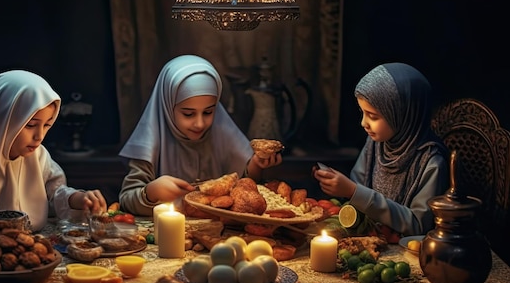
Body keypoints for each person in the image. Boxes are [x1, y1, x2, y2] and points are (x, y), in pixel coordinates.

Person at [0, 70, 107, 239]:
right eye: (30, 125)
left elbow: (54, 193)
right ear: (2, 120)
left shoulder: (38, 157)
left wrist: (77, 199)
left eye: (47, 125)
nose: (39, 136)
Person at [118, 54, 282, 216]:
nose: (200, 123)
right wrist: (152, 191)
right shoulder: (151, 142)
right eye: (188, 114)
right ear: (167, 107)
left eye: (208, 112)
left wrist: (256, 165)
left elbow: (243, 182)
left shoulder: (222, 132)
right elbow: (126, 200)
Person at [313, 62, 448, 238]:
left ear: (402, 115)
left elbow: (418, 225)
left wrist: (353, 191)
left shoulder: (431, 163)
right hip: (370, 238)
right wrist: (339, 185)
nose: (363, 123)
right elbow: (357, 189)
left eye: (373, 116)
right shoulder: (376, 144)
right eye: (362, 112)